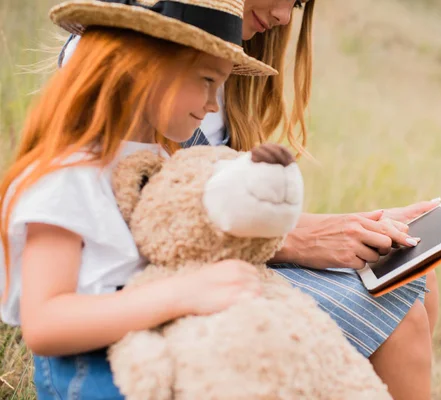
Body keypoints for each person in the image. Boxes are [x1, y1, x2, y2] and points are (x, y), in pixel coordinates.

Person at [59, 1, 440, 398]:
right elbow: (151, 217)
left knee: (417, 274)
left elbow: (212, 194)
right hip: (167, 269)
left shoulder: (217, 66)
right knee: (399, 315)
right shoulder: (134, 65)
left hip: (220, 251)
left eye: (297, 4)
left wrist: (356, 226)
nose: (285, 17)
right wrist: (298, 240)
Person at [0, 0, 275, 398]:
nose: (215, 104)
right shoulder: (70, 176)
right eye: (206, 81)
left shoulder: (159, 162)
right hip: (96, 372)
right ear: (141, 67)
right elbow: (44, 324)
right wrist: (184, 294)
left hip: (156, 354)